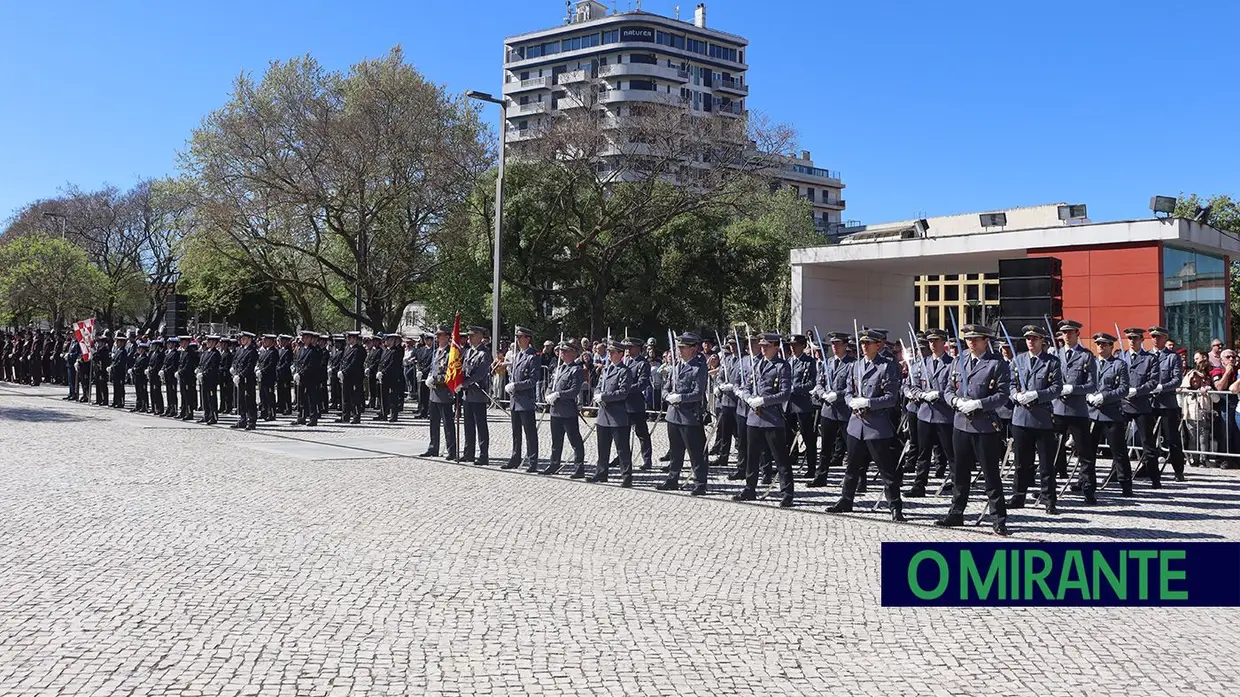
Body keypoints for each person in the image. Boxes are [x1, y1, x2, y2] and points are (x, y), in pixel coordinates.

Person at [936, 323, 1012, 536]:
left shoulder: (996, 364)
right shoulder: (959, 361)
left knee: (991, 476)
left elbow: (1002, 395)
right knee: (959, 473)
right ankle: (956, 512)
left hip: (984, 426)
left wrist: (979, 404)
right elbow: (948, 388)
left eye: (976, 339)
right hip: (961, 424)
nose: (971, 342)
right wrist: (955, 401)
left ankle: (998, 518)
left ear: (986, 340)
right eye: (969, 339)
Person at [826, 327, 905, 521]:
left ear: (878, 345)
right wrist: (851, 401)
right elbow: (848, 390)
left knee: (887, 470)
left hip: (876, 427)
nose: (864, 346)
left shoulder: (886, 366)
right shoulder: (856, 366)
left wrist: (869, 402)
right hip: (856, 425)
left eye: (868, 343)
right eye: (862, 343)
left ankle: (895, 506)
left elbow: (891, 398)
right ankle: (846, 499)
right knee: (852, 467)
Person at [733, 332, 795, 508]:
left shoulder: (782, 366)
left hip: (772, 419)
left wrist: (764, 401)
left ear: (776, 347)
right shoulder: (757, 364)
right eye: (761, 346)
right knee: (752, 456)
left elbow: (785, 394)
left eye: (767, 346)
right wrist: (748, 398)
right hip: (753, 417)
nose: (763, 349)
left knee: (780, 458)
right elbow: (746, 386)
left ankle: (787, 493)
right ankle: (749, 488)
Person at [1006, 325, 1063, 513]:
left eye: (1035, 338)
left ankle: (1049, 499)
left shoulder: (1052, 362)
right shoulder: (1018, 359)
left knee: (1046, 463)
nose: (1031, 341)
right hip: (1021, 417)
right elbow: (1010, 383)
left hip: (1042, 418)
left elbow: (1056, 388)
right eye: (1028, 338)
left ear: (1042, 340)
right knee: (1021, 462)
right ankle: (1018, 495)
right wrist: (1015, 395)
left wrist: (1037, 394)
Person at [658, 332, 712, 496]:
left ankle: (700, 483)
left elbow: (698, 393)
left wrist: (680, 397)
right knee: (675, 451)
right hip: (673, 414)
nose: (680, 351)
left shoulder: (699, 367)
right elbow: (666, 387)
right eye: (679, 347)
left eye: (683, 348)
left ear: (693, 349)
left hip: (689, 416)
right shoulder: (676, 366)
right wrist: (667, 396)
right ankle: (672, 479)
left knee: (696, 452)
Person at [906, 328, 956, 497]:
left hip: (945, 415)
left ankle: (957, 484)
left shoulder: (952, 363)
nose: (933, 344)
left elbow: (955, 388)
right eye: (930, 341)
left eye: (936, 341)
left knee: (951, 453)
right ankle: (919, 485)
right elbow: (912, 385)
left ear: (943, 342)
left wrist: (939, 395)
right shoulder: (922, 363)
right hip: (925, 414)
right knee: (923, 452)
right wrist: (920, 395)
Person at [1053, 320, 1097, 494]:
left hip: (1077, 410)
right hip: (1057, 408)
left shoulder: (1086, 356)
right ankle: (1048, 488)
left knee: (1084, 452)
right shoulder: (1055, 355)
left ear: (1077, 333)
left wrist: (1073, 389)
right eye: (1065, 332)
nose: (1067, 335)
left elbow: (1092, 385)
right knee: (1052, 450)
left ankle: (1087, 487)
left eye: (1071, 332)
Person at [1086, 332, 1132, 497]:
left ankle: (1125, 484)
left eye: (1104, 344)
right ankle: (1086, 483)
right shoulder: (1091, 363)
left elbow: (1123, 389)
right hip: (1092, 413)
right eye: (1098, 344)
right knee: (1088, 452)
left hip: (1111, 414)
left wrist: (1104, 397)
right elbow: (1084, 383)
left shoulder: (1119, 365)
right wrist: (1088, 395)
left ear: (1111, 346)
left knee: (1118, 452)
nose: (1101, 347)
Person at [808, 332, 854, 487]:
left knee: (852, 448)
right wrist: (823, 394)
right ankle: (820, 477)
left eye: (838, 343)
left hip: (845, 411)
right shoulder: (827, 363)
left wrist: (838, 395)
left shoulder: (852, 364)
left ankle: (855, 480)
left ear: (845, 345)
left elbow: (852, 387)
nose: (835, 347)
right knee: (825, 447)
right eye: (833, 344)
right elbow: (819, 383)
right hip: (828, 410)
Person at [1119, 327, 1160, 489]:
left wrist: (1137, 391)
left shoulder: (1150, 359)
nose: (1132, 341)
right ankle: (1119, 474)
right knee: (1118, 443)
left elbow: (1153, 381)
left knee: (1148, 444)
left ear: (1141, 340)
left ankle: (1154, 477)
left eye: (1135, 338)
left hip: (1141, 405)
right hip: (1123, 404)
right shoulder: (1121, 357)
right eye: (1130, 338)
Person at [590, 340, 634, 485]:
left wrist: (604, 396)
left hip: (617, 415)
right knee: (602, 447)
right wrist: (597, 394)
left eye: (613, 352)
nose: (610, 354)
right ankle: (601, 472)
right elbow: (598, 385)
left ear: (620, 354)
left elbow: (623, 392)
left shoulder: (624, 371)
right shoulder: (606, 370)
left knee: (622, 448)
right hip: (603, 415)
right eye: (609, 352)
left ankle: (626, 476)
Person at [1148, 326, 1187, 482]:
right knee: (1148, 439)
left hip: (1166, 403)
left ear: (1165, 338)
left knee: (1172, 439)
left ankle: (1178, 470)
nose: (1155, 339)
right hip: (1149, 402)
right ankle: (1149, 468)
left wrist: (1161, 387)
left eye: (1158, 336)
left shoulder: (1172, 357)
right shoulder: (1146, 356)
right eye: (1153, 336)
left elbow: (1177, 380)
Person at [543, 341, 586, 477]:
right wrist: (547, 395)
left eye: (566, 351)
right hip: (555, 410)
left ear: (573, 353)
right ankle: (554, 464)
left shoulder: (576, 370)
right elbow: (550, 385)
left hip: (568, 411)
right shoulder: (558, 369)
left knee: (575, 441)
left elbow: (574, 391)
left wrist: (558, 394)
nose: (562, 353)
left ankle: (579, 467)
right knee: (556, 441)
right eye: (561, 351)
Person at [504, 327, 540, 470]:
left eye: (520, 337)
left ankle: (532, 461)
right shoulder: (518, 355)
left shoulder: (533, 357)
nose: (518, 340)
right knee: (516, 432)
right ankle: (515, 458)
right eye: (517, 337)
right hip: (515, 401)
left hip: (525, 401)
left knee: (529, 433)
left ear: (528, 338)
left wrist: (515, 386)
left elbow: (532, 380)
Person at [785, 334, 818, 478]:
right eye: (791, 345)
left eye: (796, 345)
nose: (792, 348)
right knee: (787, 436)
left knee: (808, 436)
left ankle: (811, 468)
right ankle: (789, 463)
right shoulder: (788, 361)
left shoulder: (809, 362)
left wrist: (795, 389)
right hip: (788, 404)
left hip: (802, 403)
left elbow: (811, 383)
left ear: (803, 346)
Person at [420, 327, 457, 457]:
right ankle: (433, 447)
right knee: (433, 422)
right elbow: (433, 368)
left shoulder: (450, 353)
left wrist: (434, 379)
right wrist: (429, 377)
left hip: (444, 392)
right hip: (434, 393)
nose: (438, 338)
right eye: (437, 335)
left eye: (440, 335)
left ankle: (451, 450)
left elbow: (449, 374)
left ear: (447, 337)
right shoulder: (436, 352)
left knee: (447, 423)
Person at [620, 338, 654, 471]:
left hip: (635, 404)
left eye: (631, 347)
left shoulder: (643, 363)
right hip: (623, 404)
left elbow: (642, 383)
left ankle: (647, 460)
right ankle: (622, 458)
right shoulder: (625, 361)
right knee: (622, 434)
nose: (628, 350)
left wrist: (625, 389)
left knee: (642, 434)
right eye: (627, 347)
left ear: (638, 348)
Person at [460, 326, 493, 465]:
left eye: (472, 335)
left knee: (480, 425)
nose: (469, 338)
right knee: (468, 425)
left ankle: (483, 455)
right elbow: (463, 369)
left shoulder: (484, 353)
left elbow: (480, 374)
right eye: (469, 335)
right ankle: (469, 453)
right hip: (467, 394)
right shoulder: (468, 352)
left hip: (478, 393)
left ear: (480, 336)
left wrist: (465, 383)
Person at [1180, 351, 1216, 468]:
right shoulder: (1187, 392)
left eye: (1197, 379)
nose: (1195, 381)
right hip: (1190, 418)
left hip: (1204, 418)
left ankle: (1203, 459)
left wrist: (1209, 391)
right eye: (1193, 380)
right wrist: (1182, 391)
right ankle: (1194, 459)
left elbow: (1216, 399)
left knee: (1203, 440)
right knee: (1192, 440)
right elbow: (1181, 403)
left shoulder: (1206, 388)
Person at [231, 331, 259, 430]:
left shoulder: (252, 351)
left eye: (244, 339)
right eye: (241, 339)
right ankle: (243, 419)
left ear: (249, 340)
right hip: (240, 379)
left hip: (248, 379)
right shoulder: (240, 350)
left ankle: (251, 421)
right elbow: (236, 361)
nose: (242, 340)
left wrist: (241, 375)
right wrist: (234, 369)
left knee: (249, 401)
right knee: (241, 400)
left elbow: (249, 366)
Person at [292, 330, 320, 426]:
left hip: (310, 378)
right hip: (301, 378)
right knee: (301, 398)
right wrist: (296, 371)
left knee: (311, 399)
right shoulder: (300, 349)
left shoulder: (313, 351)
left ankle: (313, 418)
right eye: (303, 337)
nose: (303, 339)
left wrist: (301, 373)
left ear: (310, 339)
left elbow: (311, 365)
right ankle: (301, 416)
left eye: (306, 337)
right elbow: (297, 362)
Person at [338, 331, 365, 424]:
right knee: (345, 397)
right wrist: (341, 370)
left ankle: (356, 416)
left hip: (354, 377)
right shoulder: (347, 348)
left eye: (349, 338)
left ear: (355, 339)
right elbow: (343, 361)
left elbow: (354, 363)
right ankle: (345, 416)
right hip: (346, 377)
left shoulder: (359, 350)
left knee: (355, 398)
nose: (348, 340)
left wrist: (344, 371)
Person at [378, 333, 405, 423]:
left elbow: (392, 364)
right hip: (384, 377)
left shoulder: (396, 351)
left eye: (388, 340)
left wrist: (383, 372)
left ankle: (393, 415)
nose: (386, 341)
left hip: (392, 377)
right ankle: (383, 413)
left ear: (392, 341)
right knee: (384, 396)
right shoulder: (386, 350)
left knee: (393, 397)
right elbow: (381, 362)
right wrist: (379, 371)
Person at [198, 336, 222, 425]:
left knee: (211, 398)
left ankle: (213, 416)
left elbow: (214, 368)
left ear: (214, 343)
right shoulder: (205, 353)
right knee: (205, 398)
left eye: (209, 341)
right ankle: (206, 415)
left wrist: (204, 373)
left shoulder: (216, 354)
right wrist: (199, 370)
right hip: (204, 379)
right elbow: (201, 364)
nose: (207, 343)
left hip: (211, 379)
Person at [257, 335, 279, 421]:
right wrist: (258, 368)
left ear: (271, 341)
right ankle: (264, 412)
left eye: (266, 340)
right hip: (262, 377)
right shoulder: (265, 351)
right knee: (262, 395)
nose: (264, 341)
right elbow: (260, 362)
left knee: (269, 396)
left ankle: (271, 413)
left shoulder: (274, 352)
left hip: (269, 377)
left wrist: (262, 371)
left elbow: (271, 365)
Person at [177, 337, 199, 421]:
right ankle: (183, 412)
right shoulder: (183, 352)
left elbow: (188, 366)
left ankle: (189, 413)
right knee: (183, 395)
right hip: (183, 377)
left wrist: (180, 372)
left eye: (182, 342)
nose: (180, 343)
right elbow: (180, 364)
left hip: (188, 378)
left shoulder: (190, 352)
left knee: (188, 396)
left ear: (186, 342)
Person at [161, 336, 180, 416]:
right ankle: (169, 407)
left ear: (174, 344)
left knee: (172, 393)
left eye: (170, 343)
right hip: (167, 376)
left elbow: (173, 365)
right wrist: (162, 369)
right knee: (168, 393)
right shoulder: (168, 353)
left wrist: (165, 370)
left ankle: (174, 409)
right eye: (168, 343)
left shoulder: (175, 353)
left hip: (172, 376)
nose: (168, 345)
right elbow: (165, 363)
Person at [276, 334, 294, 415]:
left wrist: (280, 367)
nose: (280, 342)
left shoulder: (288, 351)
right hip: (280, 374)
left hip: (285, 374)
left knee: (286, 392)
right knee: (280, 391)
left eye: (282, 341)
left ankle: (288, 408)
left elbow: (287, 363)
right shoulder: (280, 350)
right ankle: (281, 406)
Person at [109, 335, 129, 409]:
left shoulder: (123, 351)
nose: (117, 343)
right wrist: (111, 366)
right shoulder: (117, 350)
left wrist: (113, 366)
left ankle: (120, 402)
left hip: (120, 372)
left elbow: (120, 362)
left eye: (118, 342)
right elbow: (114, 360)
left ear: (122, 343)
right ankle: (115, 401)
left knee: (120, 388)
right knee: (116, 387)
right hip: (115, 372)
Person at [130, 341, 150, 414]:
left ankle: (144, 406)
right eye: (139, 348)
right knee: (138, 391)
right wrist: (133, 369)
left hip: (142, 377)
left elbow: (142, 367)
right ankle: (138, 405)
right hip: (137, 377)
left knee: (143, 392)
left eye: (141, 348)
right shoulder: (138, 357)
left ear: (144, 349)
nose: (139, 350)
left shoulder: (145, 358)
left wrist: (135, 369)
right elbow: (135, 365)